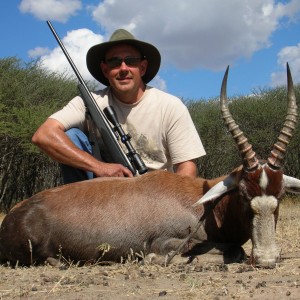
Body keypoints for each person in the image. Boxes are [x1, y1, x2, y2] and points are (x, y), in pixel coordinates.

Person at [32, 28, 206, 183]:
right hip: (103, 190)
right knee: (72, 136)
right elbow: (43, 135)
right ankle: (76, 212)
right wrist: (99, 167)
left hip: (155, 195)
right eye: (115, 62)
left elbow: (187, 168)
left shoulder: (170, 106)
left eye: (130, 61)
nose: (123, 68)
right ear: (105, 70)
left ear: (143, 67)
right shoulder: (89, 102)